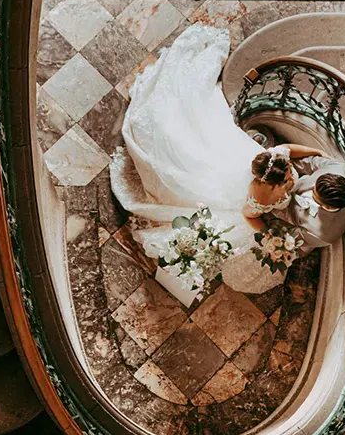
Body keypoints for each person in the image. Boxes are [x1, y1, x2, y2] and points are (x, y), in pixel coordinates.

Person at [110, 22, 323, 295]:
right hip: (227, 191)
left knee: (200, 132)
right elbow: (249, 216)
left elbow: (290, 149)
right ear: (270, 185)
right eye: (286, 181)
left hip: (229, 163)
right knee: (181, 147)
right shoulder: (259, 195)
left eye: (289, 177)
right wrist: (266, 233)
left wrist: (316, 152)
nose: (291, 179)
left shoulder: (274, 159)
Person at [274, 155, 345, 249]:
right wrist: (283, 170)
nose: (312, 186)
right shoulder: (344, 170)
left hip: (281, 211)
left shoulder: (324, 235)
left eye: (314, 193)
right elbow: (311, 162)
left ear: (328, 207)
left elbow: (289, 238)